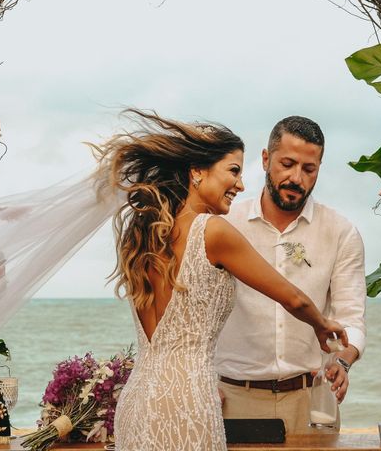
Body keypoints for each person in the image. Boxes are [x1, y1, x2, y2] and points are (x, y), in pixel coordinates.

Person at [93, 110, 348, 451]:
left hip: (137, 399)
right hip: (187, 401)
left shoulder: (142, 234)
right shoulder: (213, 231)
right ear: (197, 171)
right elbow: (293, 299)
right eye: (233, 171)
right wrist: (321, 324)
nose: (241, 184)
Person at [215, 116, 366, 434]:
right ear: (266, 159)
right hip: (230, 398)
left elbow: (351, 318)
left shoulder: (341, 233)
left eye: (308, 169)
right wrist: (199, 380)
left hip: (311, 400)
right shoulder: (226, 224)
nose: (296, 178)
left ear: (319, 169)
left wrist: (342, 361)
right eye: (287, 164)